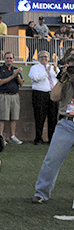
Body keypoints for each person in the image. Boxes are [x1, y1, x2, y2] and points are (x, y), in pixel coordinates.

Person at [32, 53, 74, 204]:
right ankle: (41, 193)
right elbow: (54, 97)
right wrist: (62, 79)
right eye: (71, 67)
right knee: (52, 160)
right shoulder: (65, 80)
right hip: (67, 123)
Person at [29, 50, 59, 145]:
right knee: (39, 117)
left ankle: (51, 139)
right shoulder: (35, 68)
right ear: (38, 58)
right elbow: (36, 78)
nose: (44, 58)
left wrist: (56, 70)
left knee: (53, 118)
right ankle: (38, 138)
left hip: (52, 94)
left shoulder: (53, 68)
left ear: (49, 58)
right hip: (40, 94)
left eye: (46, 57)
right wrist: (46, 72)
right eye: (42, 57)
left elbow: (60, 79)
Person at [0, 52, 24, 144]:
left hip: (14, 96)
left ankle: (13, 136)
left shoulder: (15, 69)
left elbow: (21, 83)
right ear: (4, 59)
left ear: (13, 60)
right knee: (2, 117)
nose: (9, 60)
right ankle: (1, 137)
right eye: (7, 58)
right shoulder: (1, 69)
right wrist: (13, 76)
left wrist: (18, 75)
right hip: (4, 95)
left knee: (13, 117)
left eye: (11, 58)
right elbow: (0, 82)